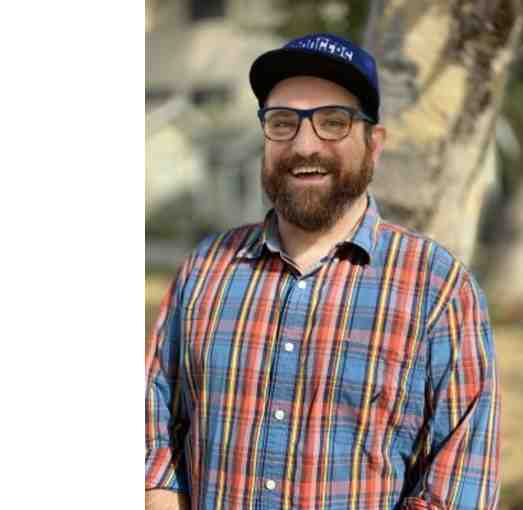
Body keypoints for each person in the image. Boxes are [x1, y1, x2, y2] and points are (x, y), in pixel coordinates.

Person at [146, 33, 501, 510]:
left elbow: (458, 488)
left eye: (333, 122)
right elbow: (152, 427)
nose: (304, 144)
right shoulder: (205, 272)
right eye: (282, 122)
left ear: (374, 144)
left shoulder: (439, 290)